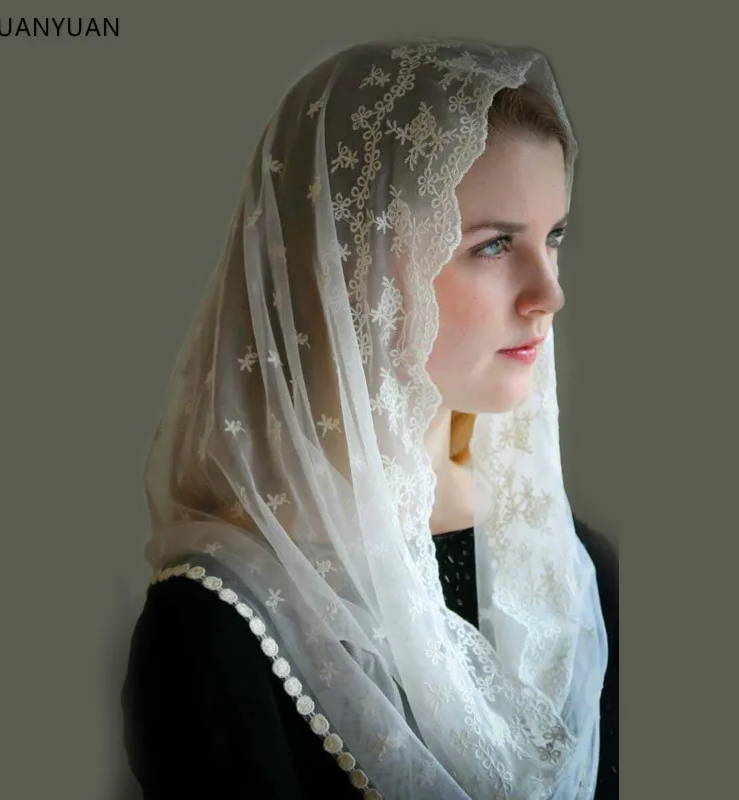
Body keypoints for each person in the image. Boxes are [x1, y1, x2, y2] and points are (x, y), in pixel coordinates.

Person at [121, 37, 618, 799]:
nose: (548, 294)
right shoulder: (218, 629)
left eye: (553, 238)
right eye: (493, 246)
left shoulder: (572, 577)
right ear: (351, 261)